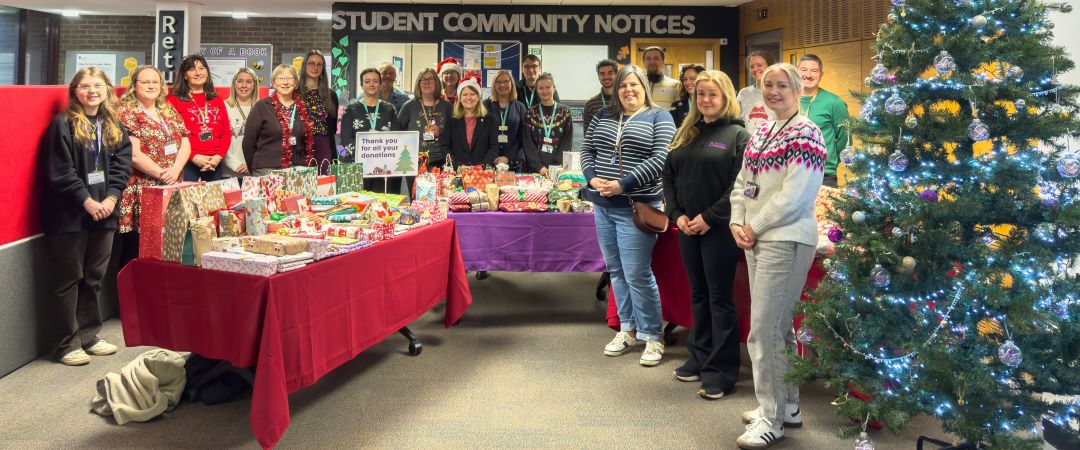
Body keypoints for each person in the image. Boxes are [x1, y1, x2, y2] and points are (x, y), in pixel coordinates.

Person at [728, 63, 826, 449]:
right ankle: (787, 405)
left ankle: (771, 418)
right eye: (767, 85)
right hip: (756, 237)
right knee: (778, 327)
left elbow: (796, 196)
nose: (773, 91)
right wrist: (738, 219)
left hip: (785, 237)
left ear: (797, 90)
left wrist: (756, 224)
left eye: (782, 85)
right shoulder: (763, 130)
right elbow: (743, 182)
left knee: (764, 330)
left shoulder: (808, 133)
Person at [662, 70, 749, 401]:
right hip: (686, 226)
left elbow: (741, 186)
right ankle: (698, 357)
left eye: (712, 94)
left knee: (719, 298)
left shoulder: (737, 135)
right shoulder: (688, 131)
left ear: (725, 97)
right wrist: (677, 215)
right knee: (697, 294)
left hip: (719, 229)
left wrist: (709, 218)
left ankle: (722, 370)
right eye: (700, 95)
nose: (706, 100)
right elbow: (668, 174)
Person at [581, 64, 675, 367]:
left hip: (635, 208)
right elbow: (586, 150)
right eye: (623, 85)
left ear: (644, 87)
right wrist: (592, 178)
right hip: (602, 207)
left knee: (637, 273)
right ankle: (627, 329)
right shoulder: (602, 116)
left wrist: (624, 184)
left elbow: (662, 157)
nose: (628, 90)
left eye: (634, 85)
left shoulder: (660, 116)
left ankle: (652, 336)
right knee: (616, 271)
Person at [41, 67, 132, 366]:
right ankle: (65, 344)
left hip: (105, 210)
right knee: (69, 278)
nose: (92, 91)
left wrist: (110, 198)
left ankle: (89, 335)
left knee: (93, 277)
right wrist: (86, 201)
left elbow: (122, 166)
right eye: (84, 86)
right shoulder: (63, 124)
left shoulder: (113, 124)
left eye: (97, 85)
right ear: (74, 91)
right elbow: (60, 171)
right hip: (70, 214)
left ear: (107, 89)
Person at [115, 65, 191, 269]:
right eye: (145, 82)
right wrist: (162, 173)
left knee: (165, 249)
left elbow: (185, 142)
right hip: (142, 191)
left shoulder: (167, 109)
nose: (151, 86)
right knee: (137, 252)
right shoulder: (127, 112)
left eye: (155, 82)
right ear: (134, 85)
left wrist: (174, 170)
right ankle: (129, 298)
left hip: (171, 187)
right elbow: (133, 154)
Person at [242, 65, 316, 176]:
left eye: (289, 78)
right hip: (266, 172)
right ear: (274, 82)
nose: (285, 82)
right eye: (281, 78)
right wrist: (255, 169)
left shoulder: (303, 108)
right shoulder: (261, 106)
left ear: (295, 82)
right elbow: (248, 143)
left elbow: (307, 142)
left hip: (297, 171)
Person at [167, 54, 231, 182]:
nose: (198, 73)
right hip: (187, 163)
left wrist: (218, 157)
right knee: (188, 202)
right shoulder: (173, 100)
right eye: (192, 69)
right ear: (185, 75)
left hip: (214, 164)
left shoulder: (216, 99)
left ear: (207, 72)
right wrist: (192, 156)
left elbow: (226, 132)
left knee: (213, 202)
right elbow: (171, 135)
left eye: (201, 68)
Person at [341, 67, 398, 191]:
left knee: (382, 205)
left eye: (375, 81)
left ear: (380, 84)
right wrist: (365, 155)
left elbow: (396, 138)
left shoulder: (390, 109)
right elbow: (345, 140)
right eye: (367, 81)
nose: (371, 84)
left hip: (384, 168)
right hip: (358, 167)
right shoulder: (350, 109)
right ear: (362, 85)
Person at [798, 54, 849, 188]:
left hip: (823, 176)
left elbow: (845, 138)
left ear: (821, 74)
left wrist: (830, 161)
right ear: (796, 72)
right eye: (803, 70)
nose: (808, 75)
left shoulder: (834, 102)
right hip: (792, 175)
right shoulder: (788, 100)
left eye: (814, 71)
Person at [434, 76, 499, 167]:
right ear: (460, 98)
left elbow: (494, 147)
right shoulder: (452, 119)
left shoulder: (490, 119)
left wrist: (483, 165)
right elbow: (445, 146)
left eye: (472, 94)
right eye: (464, 94)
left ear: (478, 97)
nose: (468, 98)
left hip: (481, 173)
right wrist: (455, 164)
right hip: (458, 171)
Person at [396, 68, 453, 167]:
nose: (427, 82)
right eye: (423, 79)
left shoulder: (446, 106)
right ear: (419, 83)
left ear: (436, 82)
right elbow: (398, 133)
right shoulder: (409, 106)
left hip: (441, 160)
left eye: (430, 79)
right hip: (414, 161)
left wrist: (440, 132)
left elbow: (454, 134)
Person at [522, 73, 573, 175]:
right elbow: (527, 142)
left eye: (548, 87)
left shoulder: (565, 112)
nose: (544, 91)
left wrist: (556, 166)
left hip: (558, 168)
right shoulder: (530, 113)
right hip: (534, 169)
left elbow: (567, 142)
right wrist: (539, 167)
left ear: (554, 88)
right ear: (537, 90)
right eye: (541, 88)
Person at [299, 50, 341, 173]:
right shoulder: (295, 93)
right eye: (311, 63)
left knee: (324, 184)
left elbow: (332, 126)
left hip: (323, 144)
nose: (315, 67)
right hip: (301, 145)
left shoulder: (330, 95)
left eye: (319, 64)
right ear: (304, 66)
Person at [483, 70, 528, 171]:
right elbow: (482, 134)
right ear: (494, 85)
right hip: (491, 161)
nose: (502, 85)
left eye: (506, 81)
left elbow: (522, 136)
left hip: (514, 162)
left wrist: (507, 157)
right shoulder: (485, 105)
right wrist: (492, 156)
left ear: (511, 84)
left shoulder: (520, 107)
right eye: (498, 82)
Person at [222, 67, 259, 178]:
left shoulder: (262, 108)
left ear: (254, 85)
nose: (244, 85)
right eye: (240, 81)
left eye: (248, 81)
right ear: (234, 84)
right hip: (228, 174)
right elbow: (219, 140)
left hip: (254, 173)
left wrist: (252, 163)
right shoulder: (223, 107)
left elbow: (265, 143)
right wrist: (234, 164)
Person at [737, 51, 776, 136]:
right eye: (751, 66)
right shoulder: (744, 93)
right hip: (747, 145)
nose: (755, 69)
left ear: (770, 67)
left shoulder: (778, 92)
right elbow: (737, 121)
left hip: (772, 144)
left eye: (759, 65)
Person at [583, 59, 618, 131]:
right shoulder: (590, 104)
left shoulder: (624, 100)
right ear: (598, 77)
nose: (606, 77)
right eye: (602, 73)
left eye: (610, 73)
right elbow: (587, 135)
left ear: (616, 75)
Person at [641, 46, 681, 110]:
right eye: (648, 59)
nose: (652, 62)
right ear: (643, 62)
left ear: (663, 61)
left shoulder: (676, 85)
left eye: (656, 58)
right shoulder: (638, 84)